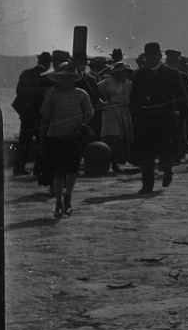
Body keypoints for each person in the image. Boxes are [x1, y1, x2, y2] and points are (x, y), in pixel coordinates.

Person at [128, 42, 188, 193]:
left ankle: (168, 171)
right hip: (146, 120)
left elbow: (181, 95)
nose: (150, 59)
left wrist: (184, 114)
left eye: (153, 56)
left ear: (159, 56)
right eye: (147, 56)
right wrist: (135, 114)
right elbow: (133, 97)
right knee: (146, 153)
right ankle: (147, 185)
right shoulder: (140, 74)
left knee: (167, 150)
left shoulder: (171, 73)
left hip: (165, 119)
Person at [37, 62, 94, 216]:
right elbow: (44, 117)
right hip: (55, 137)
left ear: (74, 79)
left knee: (72, 170)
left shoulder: (81, 94)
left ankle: (67, 196)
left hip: (74, 137)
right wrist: (41, 140)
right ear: (58, 79)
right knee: (57, 172)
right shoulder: (52, 94)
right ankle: (58, 202)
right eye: (63, 77)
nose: (66, 80)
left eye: (70, 77)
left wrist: (83, 124)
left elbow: (90, 112)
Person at [12, 52, 52, 176]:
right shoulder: (48, 76)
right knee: (41, 140)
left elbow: (19, 91)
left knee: (25, 140)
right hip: (40, 113)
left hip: (26, 113)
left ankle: (19, 167)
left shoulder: (26, 73)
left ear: (39, 61)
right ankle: (38, 168)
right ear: (48, 63)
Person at [97, 62, 134, 173]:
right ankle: (106, 162)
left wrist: (114, 98)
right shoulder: (107, 82)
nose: (123, 75)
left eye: (125, 72)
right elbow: (95, 90)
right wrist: (102, 100)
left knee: (122, 137)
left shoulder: (128, 84)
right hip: (110, 111)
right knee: (110, 136)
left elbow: (128, 98)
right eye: (121, 72)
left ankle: (117, 162)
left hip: (123, 111)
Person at [164, 49, 188, 162]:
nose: (172, 63)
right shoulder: (162, 74)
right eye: (170, 60)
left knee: (179, 133)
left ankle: (178, 155)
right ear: (167, 61)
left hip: (179, 109)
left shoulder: (183, 75)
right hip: (165, 109)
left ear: (178, 62)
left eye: (175, 60)